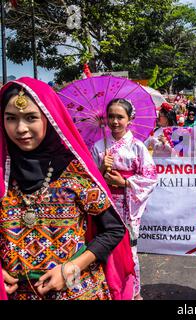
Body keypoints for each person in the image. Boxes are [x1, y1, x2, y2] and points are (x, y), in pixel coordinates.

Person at [0, 78, 135, 300]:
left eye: (31, 117)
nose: (21, 128)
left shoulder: (75, 170)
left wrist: (70, 269)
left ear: (48, 118)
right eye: (11, 118)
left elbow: (114, 230)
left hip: (75, 289)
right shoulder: (2, 173)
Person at [91, 98, 158, 300]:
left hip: (128, 204)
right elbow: (89, 180)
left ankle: (133, 292)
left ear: (130, 119)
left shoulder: (137, 147)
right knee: (105, 247)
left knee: (129, 249)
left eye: (120, 117)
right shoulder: (98, 147)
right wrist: (101, 168)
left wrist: (125, 183)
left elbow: (150, 177)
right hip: (105, 205)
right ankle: (110, 290)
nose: (115, 121)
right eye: (111, 116)